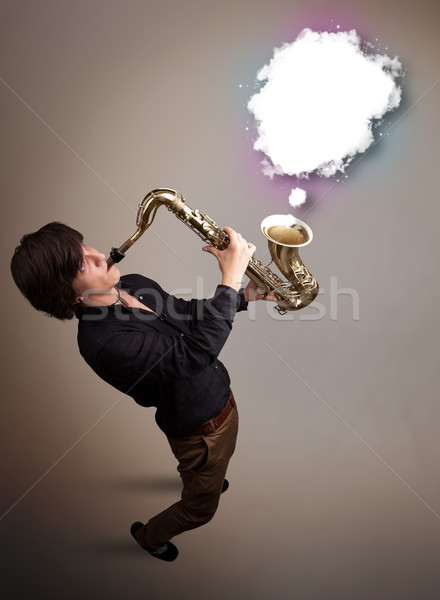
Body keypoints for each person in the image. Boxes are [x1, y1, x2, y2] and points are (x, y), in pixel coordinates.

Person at [10, 221, 275, 562]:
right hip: (201, 433)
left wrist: (243, 296)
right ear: (69, 295)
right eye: (80, 263)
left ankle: (206, 478)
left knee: (215, 467)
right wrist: (229, 279)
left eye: (86, 245)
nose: (95, 253)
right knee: (200, 510)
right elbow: (193, 355)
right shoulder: (104, 343)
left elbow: (186, 315)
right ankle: (150, 537)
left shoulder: (132, 284)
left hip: (220, 399)